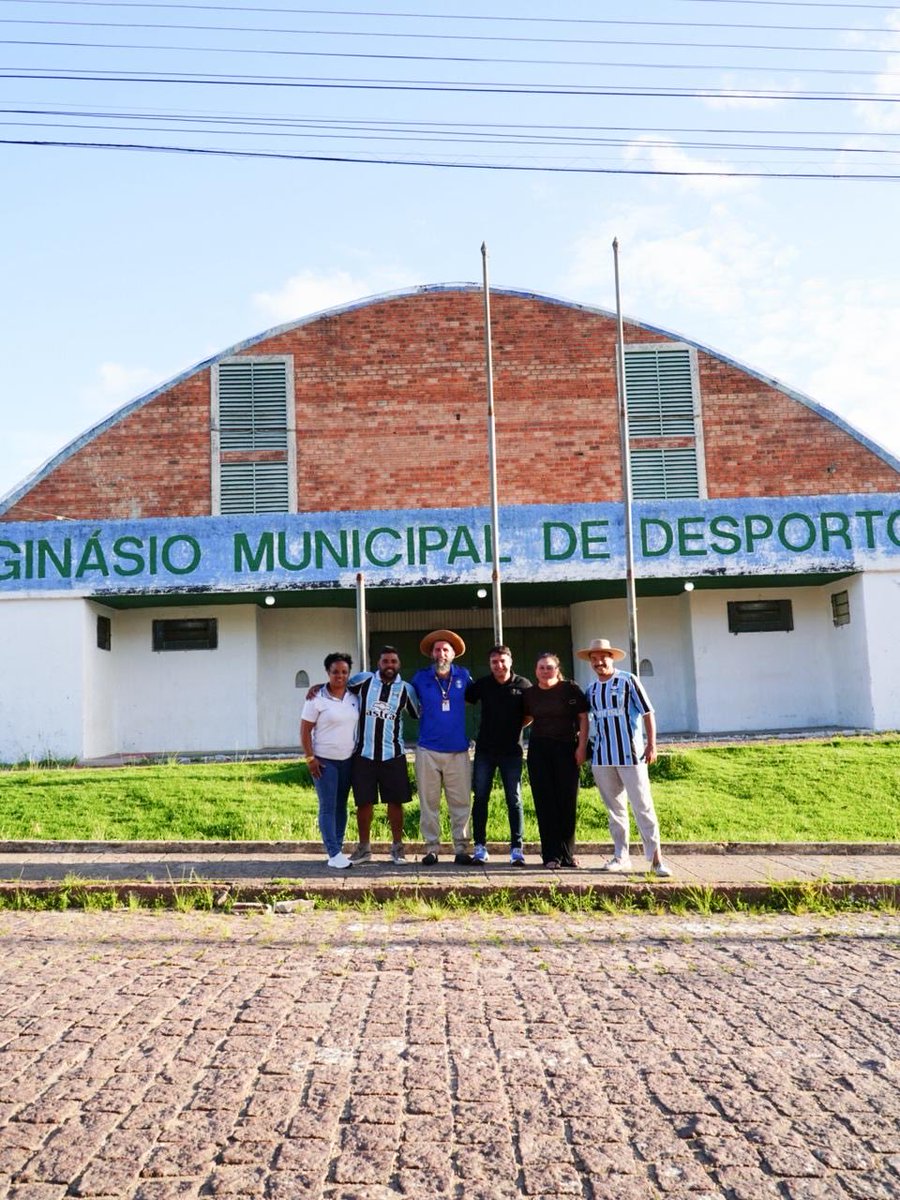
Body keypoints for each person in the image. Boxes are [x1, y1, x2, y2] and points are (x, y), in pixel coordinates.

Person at [578, 637, 672, 878]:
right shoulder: (591, 689)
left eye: (603, 657)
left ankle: (656, 859)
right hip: (602, 757)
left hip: (631, 755)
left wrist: (651, 744)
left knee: (643, 806)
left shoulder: (629, 681)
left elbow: (648, 712)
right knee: (614, 810)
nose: (599, 662)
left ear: (612, 657)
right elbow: (586, 720)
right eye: (594, 659)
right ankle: (621, 857)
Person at [345, 646, 420, 866]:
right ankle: (364, 848)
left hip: (393, 755)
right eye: (385, 661)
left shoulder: (406, 689)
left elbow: (418, 714)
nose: (389, 665)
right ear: (379, 663)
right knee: (364, 803)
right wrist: (318, 687)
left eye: (393, 661)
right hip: (364, 754)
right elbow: (338, 687)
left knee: (395, 803)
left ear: (399, 665)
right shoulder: (364, 680)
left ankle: (397, 848)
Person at [410, 629, 475, 866]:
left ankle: (461, 848)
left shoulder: (464, 676)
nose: (441, 653)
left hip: (457, 749)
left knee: (461, 801)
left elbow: (476, 697)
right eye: (437, 649)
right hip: (428, 749)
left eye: (445, 649)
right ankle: (431, 848)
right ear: (432, 654)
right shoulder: (420, 677)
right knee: (429, 802)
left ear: (453, 654)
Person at [465, 645, 532, 865]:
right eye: (494, 662)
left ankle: (516, 849)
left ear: (510, 662)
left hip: (511, 752)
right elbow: (464, 699)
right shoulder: (483, 685)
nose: (499, 665)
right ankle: (480, 847)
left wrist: (515, 726)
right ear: (490, 664)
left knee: (514, 799)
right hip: (485, 751)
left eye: (503, 661)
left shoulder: (523, 685)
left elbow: (531, 714)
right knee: (481, 798)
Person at [522, 652, 589, 870]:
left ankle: (568, 855)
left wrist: (581, 748)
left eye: (549, 667)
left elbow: (583, 719)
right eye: (541, 667)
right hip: (539, 751)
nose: (545, 671)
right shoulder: (530, 694)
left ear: (557, 669)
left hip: (567, 749)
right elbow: (526, 718)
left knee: (567, 802)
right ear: (535, 670)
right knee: (545, 803)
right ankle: (550, 856)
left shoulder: (570, 689)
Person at [299, 652, 360, 869]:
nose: (340, 676)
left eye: (344, 672)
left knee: (341, 806)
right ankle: (333, 853)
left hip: (348, 760)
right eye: (335, 672)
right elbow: (305, 731)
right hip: (324, 761)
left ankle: (338, 849)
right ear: (328, 673)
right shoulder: (316, 698)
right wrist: (310, 758)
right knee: (327, 806)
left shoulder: (355, 696)